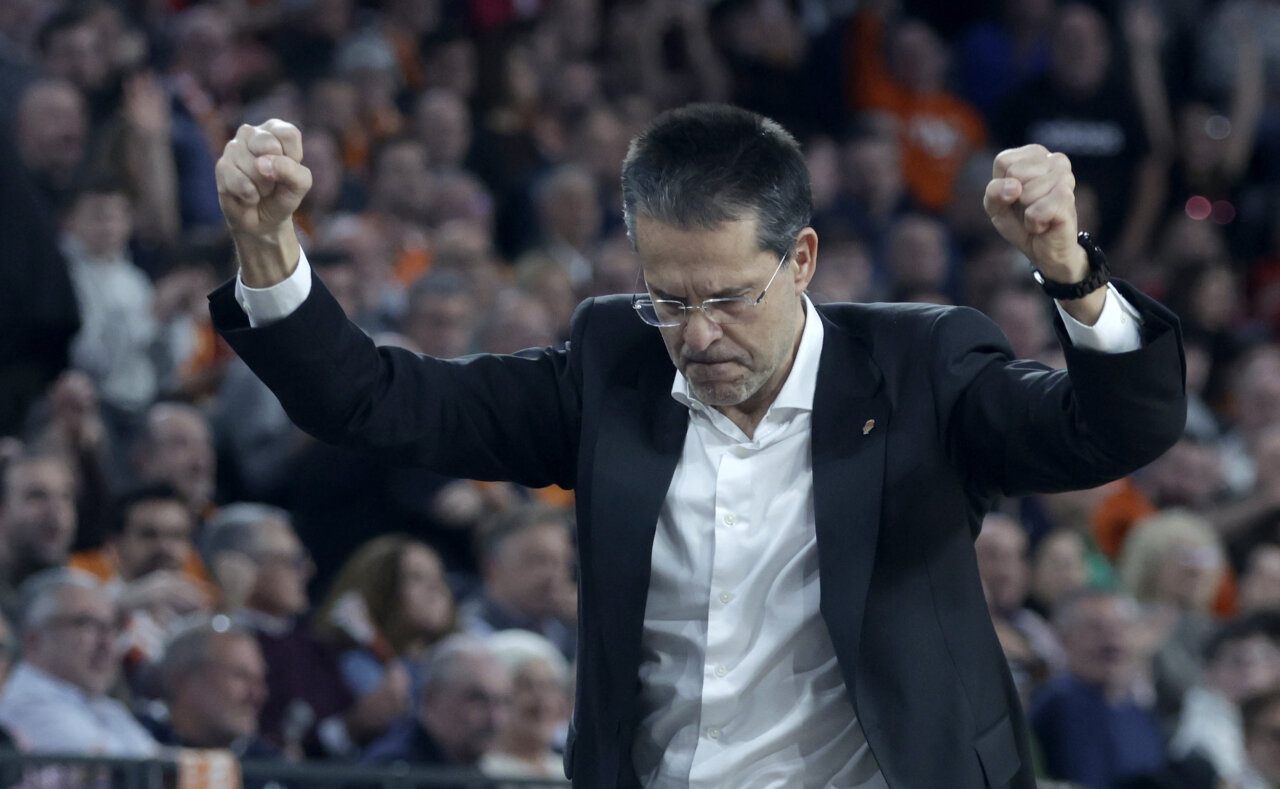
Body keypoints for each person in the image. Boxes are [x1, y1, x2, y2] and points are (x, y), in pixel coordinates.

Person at [210, 104, 1185, 788]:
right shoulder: (608, 366)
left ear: (799, 258)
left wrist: (1068, 272)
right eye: (666, 298)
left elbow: (1113, 427)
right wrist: (265, 247)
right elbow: (377, 402)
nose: (696, 332)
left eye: (726, 296)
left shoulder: (920, 365)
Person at [0, 568, 157, 756]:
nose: (107, 644)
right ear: (34, 639)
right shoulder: (26, 703)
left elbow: (167, 768)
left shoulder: (106, 706)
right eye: (87, 624)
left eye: (112, 628)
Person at [362, 633, 510, 772]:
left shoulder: (478, 775)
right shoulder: (391, 772)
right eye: (477, 699)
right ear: (431, 698)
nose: (495, 718)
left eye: (502, 702)